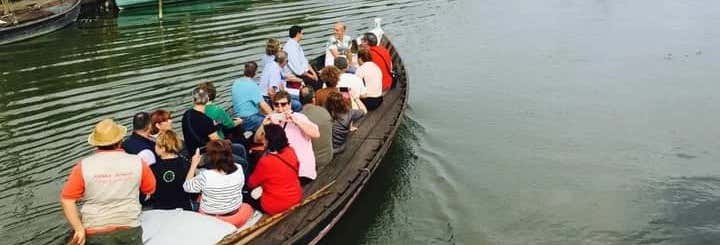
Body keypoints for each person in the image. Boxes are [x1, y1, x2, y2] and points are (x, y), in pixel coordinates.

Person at [60, 119, 156, 245]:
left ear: (96, 144)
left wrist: (79, 229)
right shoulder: (138, 162)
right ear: (120, 141)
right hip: (129, 226)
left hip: (95, 230)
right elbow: (150, 189)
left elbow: (67, 200)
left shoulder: (83, 166)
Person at [183, 140, 253, 227]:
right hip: (236, 214)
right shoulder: (239, 168)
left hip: (213, 218)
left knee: (194, 200)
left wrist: (193, 165)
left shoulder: (205, 176)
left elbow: (187, 187)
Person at [254, 91, 320, 183]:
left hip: (301, 171)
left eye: (283, 105)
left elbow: (316, 134)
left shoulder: (300, 117)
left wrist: (296, 122)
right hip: (283, 166)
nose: (280, 109)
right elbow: (257, 140)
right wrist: (263, 124)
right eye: (276, 105)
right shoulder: (273, 120)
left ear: (289, 105)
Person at [247, 124, 303, 215]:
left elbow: (251, 183)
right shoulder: (291, 150)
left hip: (275, 205)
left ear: (268, 140)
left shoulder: (265, 161)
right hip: (296, 196)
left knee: (247, 195)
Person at [149, 130, 193, 210]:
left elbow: (150, 191)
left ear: (162, 148)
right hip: (183, 208)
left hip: (161, 208)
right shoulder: (185, 164)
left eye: (156, 144)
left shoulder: (153, 168)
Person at [232, 61, 273, 133]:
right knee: (271, 123)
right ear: (255, 73)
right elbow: (263, 105)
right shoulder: (252, 85)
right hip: (249, 118)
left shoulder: (236, 82)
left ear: (244, 71)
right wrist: (274, 116)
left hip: (238, 116)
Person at [299, 86, 333, 169]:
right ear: (313, 99)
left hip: (311, 161)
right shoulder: (324, 111)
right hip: (328, 156)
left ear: (300, 100)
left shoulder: (299, 118)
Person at [181, 87, 221, 155]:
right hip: (205, 154)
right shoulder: (207, 120)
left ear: (193, 100)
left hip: (191, 152)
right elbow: (217, 142)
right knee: (240, 149)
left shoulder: (186, 115)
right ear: (207, 99)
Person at [283, 25, 320, 90]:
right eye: (302, 33)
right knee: (317, 82)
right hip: (298, 75)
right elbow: (298, 71)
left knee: (320, 77)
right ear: (298, 34)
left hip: (304, 72)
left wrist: (314, 73)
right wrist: (311, 76)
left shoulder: (296, 45)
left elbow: (305, 61)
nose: (303, 35)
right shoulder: (290, 48)